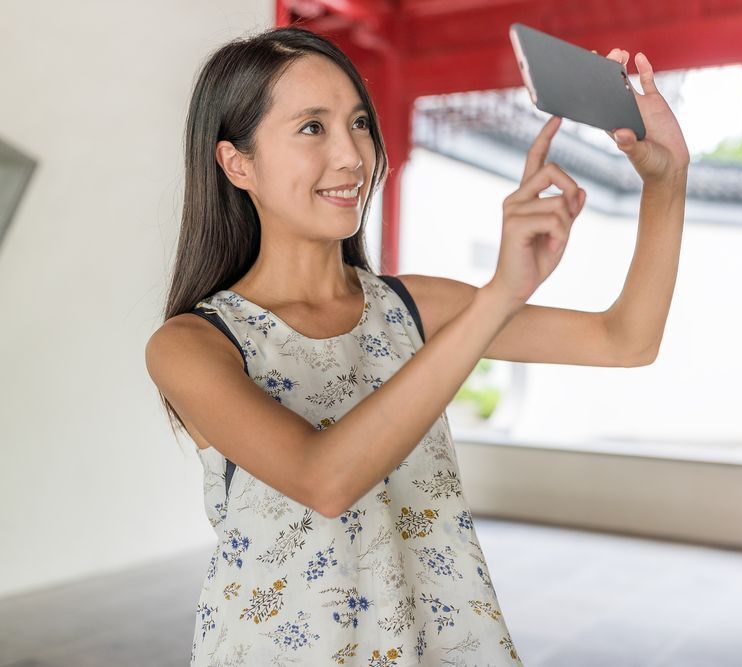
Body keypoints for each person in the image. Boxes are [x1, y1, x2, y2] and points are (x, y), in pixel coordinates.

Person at [145, 24, 688, 667]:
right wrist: (494, 298)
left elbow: (625, 341)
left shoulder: (412, 308)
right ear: (238, 163)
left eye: (359, 124)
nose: (352, 156)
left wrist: (668, 180)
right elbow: (325, 480)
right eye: (312, 128)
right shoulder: (194, 345)